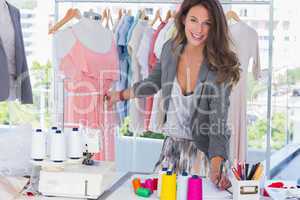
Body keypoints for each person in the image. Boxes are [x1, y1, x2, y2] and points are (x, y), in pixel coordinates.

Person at [107, 0, 240, 190]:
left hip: (204, 153)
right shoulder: (170, 49)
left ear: (215, 26)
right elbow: (153, 82)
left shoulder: (219, 65)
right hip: (172, 149)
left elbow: (218, 120)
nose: (199, 29)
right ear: (184, 18)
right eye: (194, 20)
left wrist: (216, 165)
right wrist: (119, 95)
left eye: (207, 23)